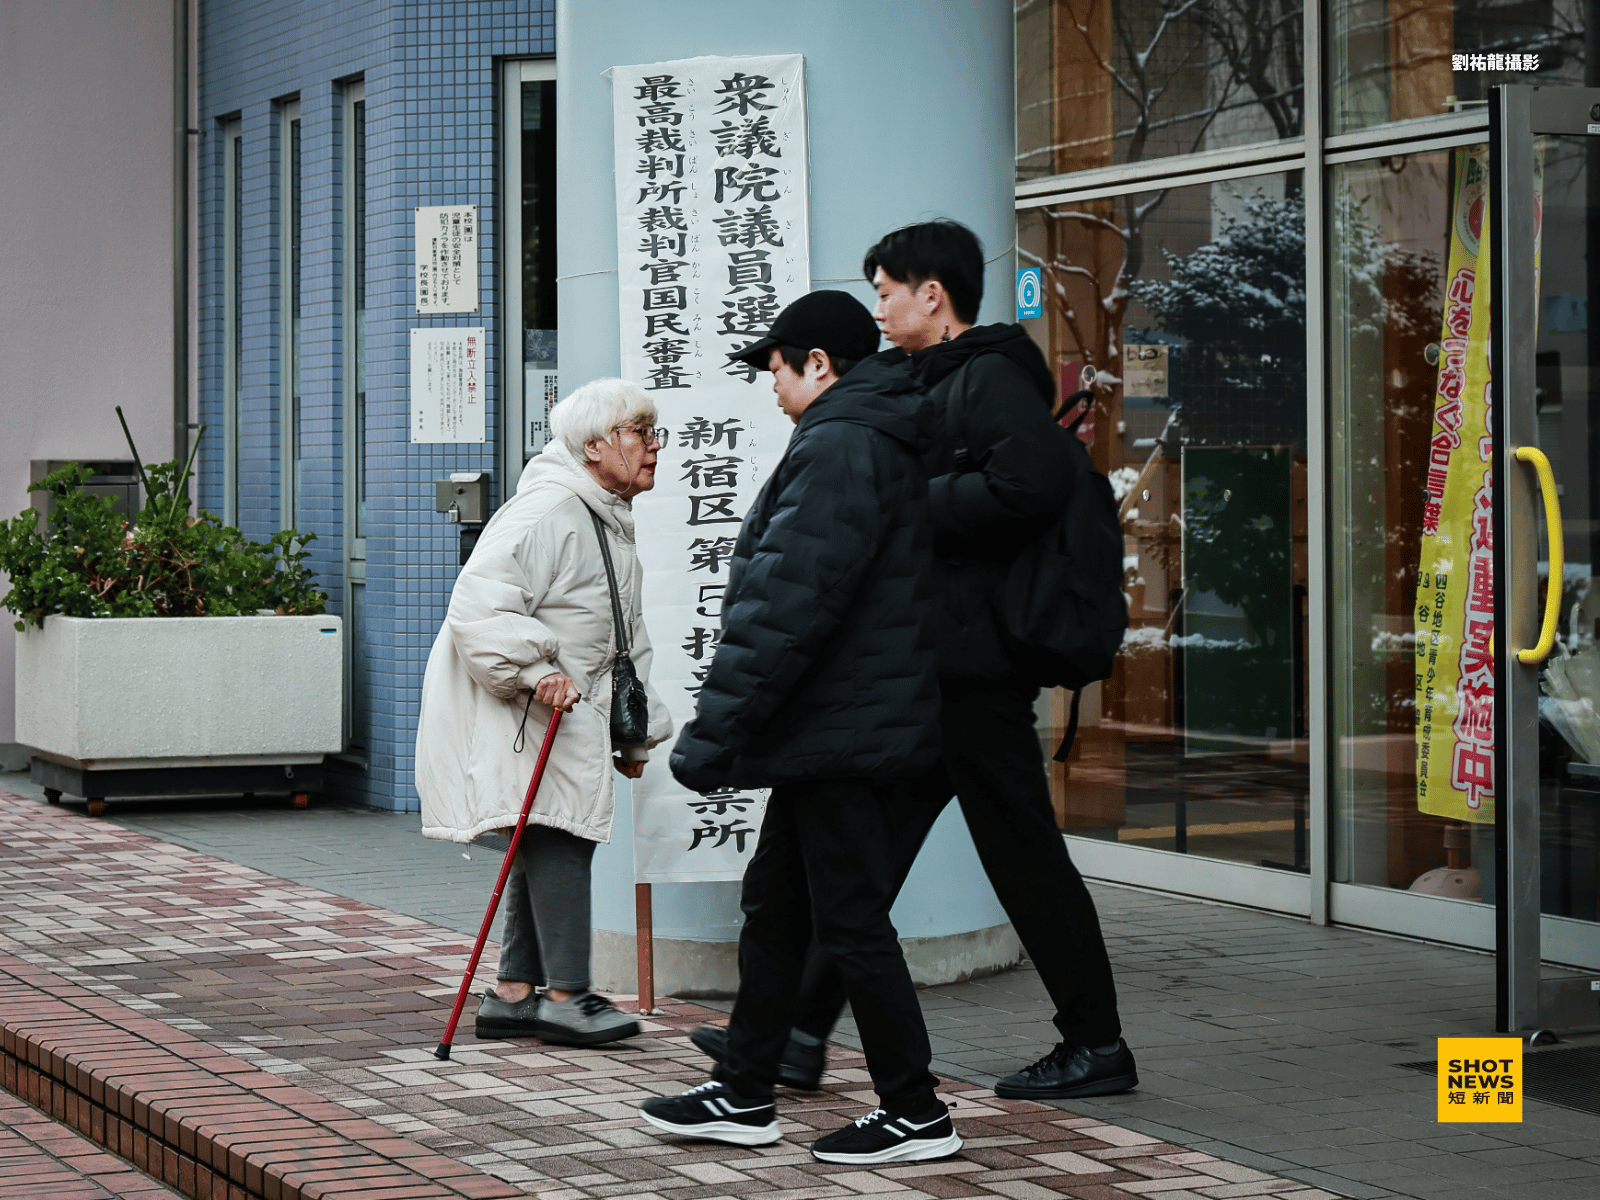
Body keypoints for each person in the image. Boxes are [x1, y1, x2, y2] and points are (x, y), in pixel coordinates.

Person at [691, 220, 1137, 1101]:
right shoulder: (930, 379)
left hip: (977, 669)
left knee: (1020, 858)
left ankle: (1096, 1043)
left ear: (933, 294)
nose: (881, 308)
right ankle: (795, 1035)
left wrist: (906, 505)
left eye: (888, 290)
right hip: (935, 662)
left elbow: (1031, 485)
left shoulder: (992, 376)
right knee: (863, 860)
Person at [637, 291, 958, 1165]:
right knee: (777, 907)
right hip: (835, 727)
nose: (770, 388)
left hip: (844, 732)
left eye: (775, 369)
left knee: (850, 921)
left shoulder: (843, 444)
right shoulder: (858, 437)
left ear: (817, 364)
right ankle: (745, 1091)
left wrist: (713, 737)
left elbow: (786, 607)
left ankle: (916, 1110)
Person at [415, 378, 673, 1047]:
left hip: (564, 712)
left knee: (546, 835)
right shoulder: (550, 512)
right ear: (593, 446)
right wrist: (534, 669)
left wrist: (636, 734)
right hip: (530, 712)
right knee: (559, 837)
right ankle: (567, 997)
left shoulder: (601, 514)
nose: (652, 447)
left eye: (654, 432)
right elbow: (477, 604)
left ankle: (513, 994)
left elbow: (619, 636)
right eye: (638, 432)